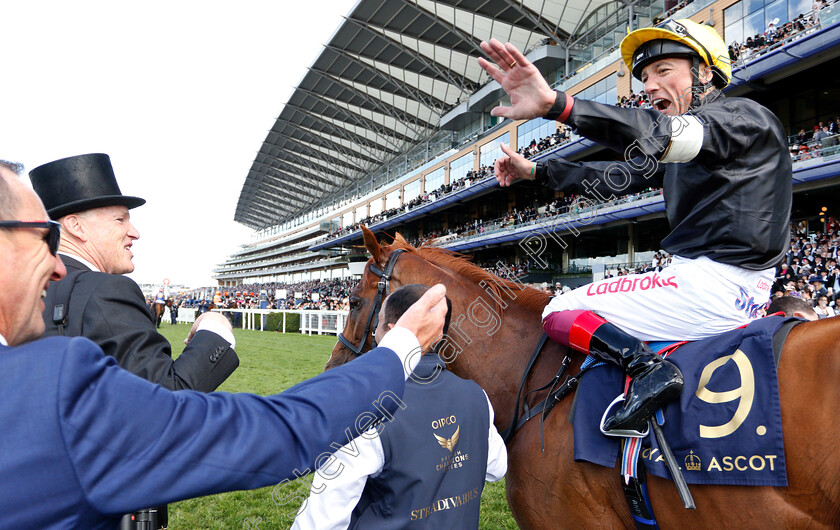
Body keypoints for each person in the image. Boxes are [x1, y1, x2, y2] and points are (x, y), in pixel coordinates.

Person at [0, 160, 449, 528]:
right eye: (44, 238)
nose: (57, 267)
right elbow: (262, 431)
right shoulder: (56, 379)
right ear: (74, 226)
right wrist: (399, 348)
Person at [478, 18, 792, 431]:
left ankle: (649, 371)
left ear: (705, 73)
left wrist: (559, 105)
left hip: (710, 285)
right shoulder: (689, 148)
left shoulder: (740, 116)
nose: (649, 85)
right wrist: (536, 171)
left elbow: (660, 135)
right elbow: (610, 175)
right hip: (730, 288)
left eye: (664, 71)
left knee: (559, 310)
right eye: (644, 77)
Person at [293, 284, 507, 529]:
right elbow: (497, 468)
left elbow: (319, 523)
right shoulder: (476, 395)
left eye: (378, 325)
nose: (374, 334)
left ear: (394, 332)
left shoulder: (364, 409)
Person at [30, 153, 238, 392]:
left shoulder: (26, 286)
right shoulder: (106, 290)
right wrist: (215, 326)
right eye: (120, 220)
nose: (135, 232)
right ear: (76, 226)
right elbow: (169, 396)